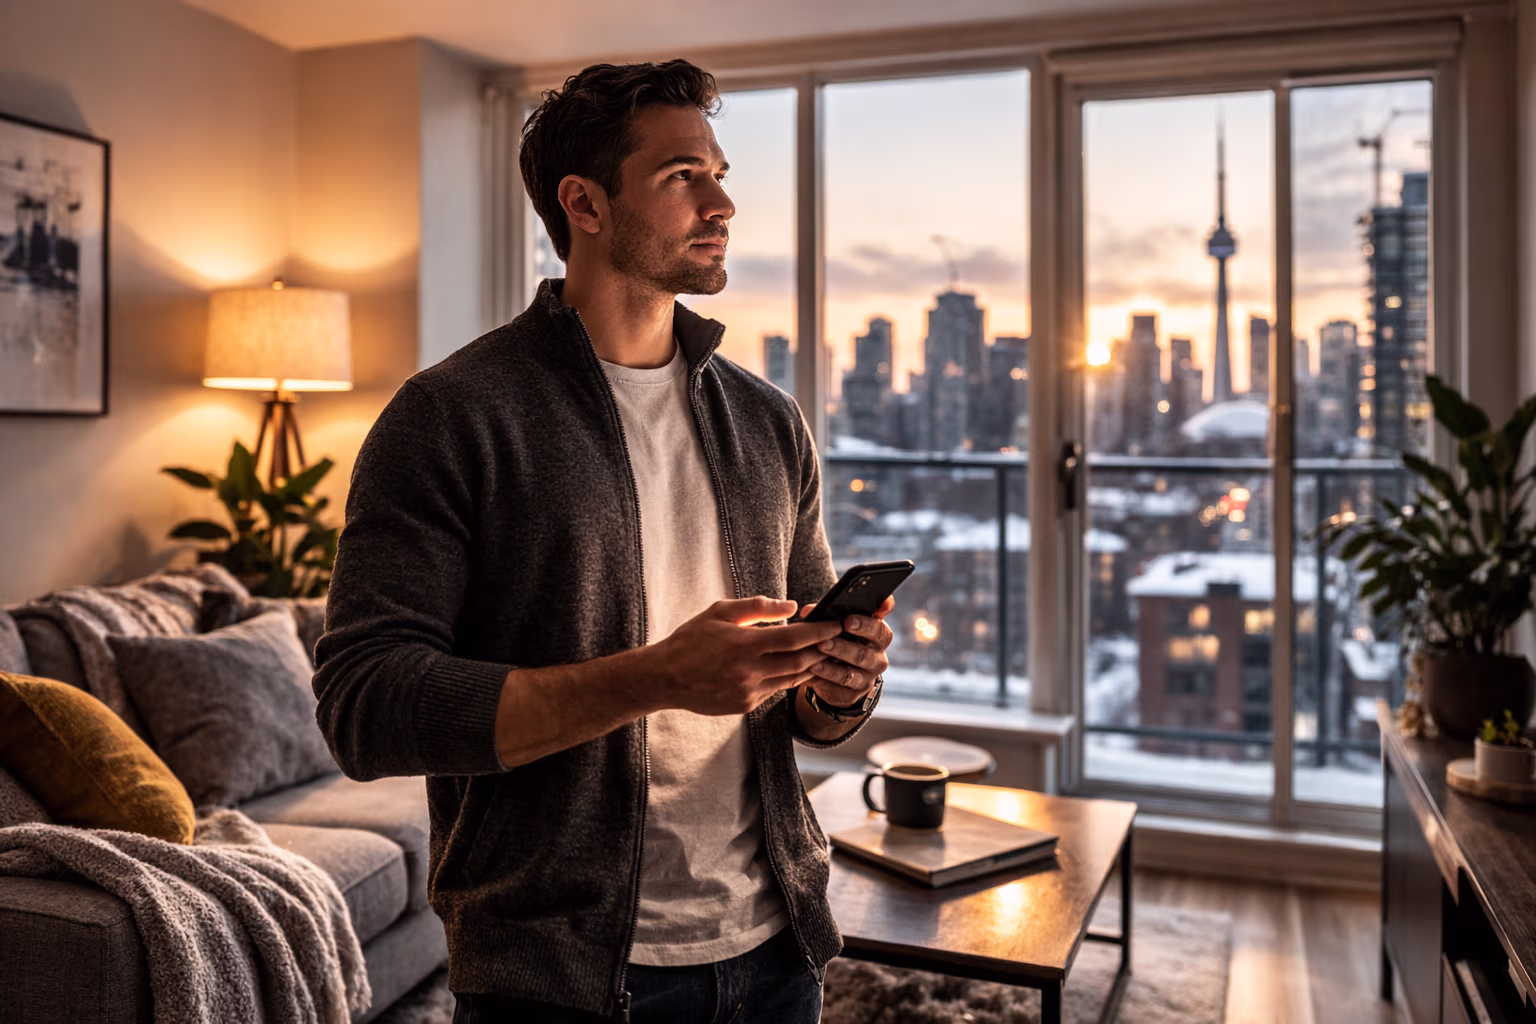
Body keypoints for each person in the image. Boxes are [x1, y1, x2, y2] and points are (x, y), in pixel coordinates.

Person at [312, 58, 895, 1024]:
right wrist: (661, 675)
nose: (722, 203)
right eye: (681, 177)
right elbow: (364, 707)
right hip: (555, 973)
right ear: (583, 203)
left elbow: (810, 710)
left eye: (718, 172)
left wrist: (842, 680)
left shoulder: (768, 420)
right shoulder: (452, 417)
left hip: (776, 946)